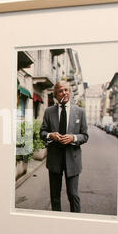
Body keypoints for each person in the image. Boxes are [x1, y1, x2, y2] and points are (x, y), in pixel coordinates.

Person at [40, 81, 88, 212]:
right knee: (55, 197)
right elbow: (42, 132)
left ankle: (76, 222)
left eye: (66, 90)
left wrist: (74, 138)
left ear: (70, 92)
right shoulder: (49, 112)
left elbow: (85, 135)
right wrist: (51, 135)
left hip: (72, 160)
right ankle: (56, 224)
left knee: (73, 195)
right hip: (55, 160)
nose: (64, 93)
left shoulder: (80, 112)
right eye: (61, 91)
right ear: (56, 94)